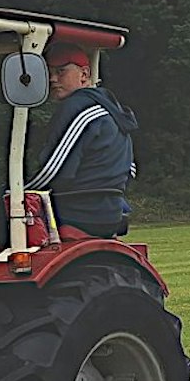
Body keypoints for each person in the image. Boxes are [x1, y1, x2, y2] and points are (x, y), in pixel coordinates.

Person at [29, 45, 139, 237]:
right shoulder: (112, 111)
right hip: (111, 212)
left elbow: (53, 169)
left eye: (61, 71)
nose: (53, 79)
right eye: (50, 73)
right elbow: (130, 169)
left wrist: (22, 191)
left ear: (84, 74)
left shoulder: (78, 107)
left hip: (77, 212)